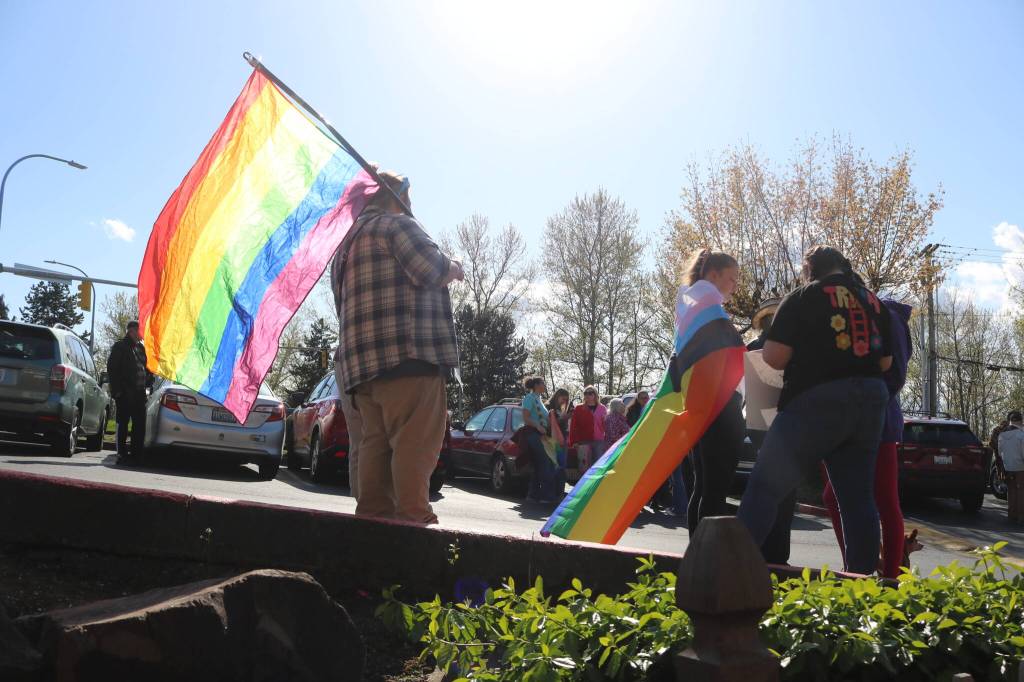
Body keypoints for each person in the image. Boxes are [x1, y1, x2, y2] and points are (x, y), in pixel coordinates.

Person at [737, 246, 892, 575]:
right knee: (857, 498)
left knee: (765, 487)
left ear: (810, 269)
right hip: (870, 401)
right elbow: (886, 361)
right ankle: (860, 585)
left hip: (815, 401)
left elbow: (774, 357)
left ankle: (731, 572)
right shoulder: (872, 300)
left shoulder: (804, 296)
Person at [332, 170, 463, 524]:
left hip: (362, 371)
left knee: (374, 444)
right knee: (415, 444)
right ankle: (413, 522)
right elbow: (431, 269)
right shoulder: (398, 226)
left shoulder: (343, 248)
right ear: (396, 194)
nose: (411, 203)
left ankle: (373, 522)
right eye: (409, 195)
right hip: (411, 358)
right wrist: (454, 267)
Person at [822, 298, 913, 578]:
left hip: (879, 420)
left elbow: (895, 374)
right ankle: (858, 565)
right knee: (833, 495)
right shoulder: (860, 311)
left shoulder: (887, 316)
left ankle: (891, 576)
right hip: (851, 418)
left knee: (885, 498)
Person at [682, 249, 745, 537]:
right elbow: (725, 360)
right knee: (714, 490)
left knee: (703, 486)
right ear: (713, 275)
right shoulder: (710, 312)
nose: (735, 285)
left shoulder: (693, 306)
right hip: (719, 409)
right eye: (732, 278)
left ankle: (697, 552)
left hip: (704, 409)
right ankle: (708, 558)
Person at [745, 298, 797, 563]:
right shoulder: (790, 350)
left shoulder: (750, 348)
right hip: (782, 424)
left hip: (756, 425)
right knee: (785, 494)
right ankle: (778, 555)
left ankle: (760, 550)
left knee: (763, 488)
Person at [107, 320, 153, 464]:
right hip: (125, 393)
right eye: (140, 331)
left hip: (139, 394)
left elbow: (146, 368)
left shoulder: (141, 348)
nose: (142, 335)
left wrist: (149, 379)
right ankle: (121, 454)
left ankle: (136, 454)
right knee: (123, 423)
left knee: (139, 424)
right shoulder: (120, 346)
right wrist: (117, 392)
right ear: (132, 331)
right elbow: (112, 370)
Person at [333, 346, 362, 501]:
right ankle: (367, 507)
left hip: (348, 354)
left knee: (362, 440)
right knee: (365, 440)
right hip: (356, 356)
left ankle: (366, 508)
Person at [522, 377, 556, 503]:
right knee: (545, 463)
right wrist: (537, 425)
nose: (544, 385)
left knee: (538, 465)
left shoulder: (539, 399)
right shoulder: (529, 398)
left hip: (541, 435)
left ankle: (533, 495)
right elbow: (525, 418)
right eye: (542, 383)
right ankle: (546, 496)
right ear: (536, 385)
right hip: (533, 435)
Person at [569, 386, 607, 472]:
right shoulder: (579, 408)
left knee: (598, 466)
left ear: (595, 395)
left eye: (590, 393)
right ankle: (584, 485)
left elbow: (606, 425)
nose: (587, 395)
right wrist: (574, 441)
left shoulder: (602, 408)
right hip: (583, 441)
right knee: (584, 467)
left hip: (599, 441)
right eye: (585, 393)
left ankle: (597, 485)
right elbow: (573, 426)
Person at [998, 411, 1024, 524]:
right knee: (1021, 490)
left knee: (1011, 490)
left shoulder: (1002, 434)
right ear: (1020, 420)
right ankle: (1021, 516)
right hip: (1020, 466)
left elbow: (1000, 452)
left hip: (1008, 466)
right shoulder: (1021, 434)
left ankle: (1011, 514)